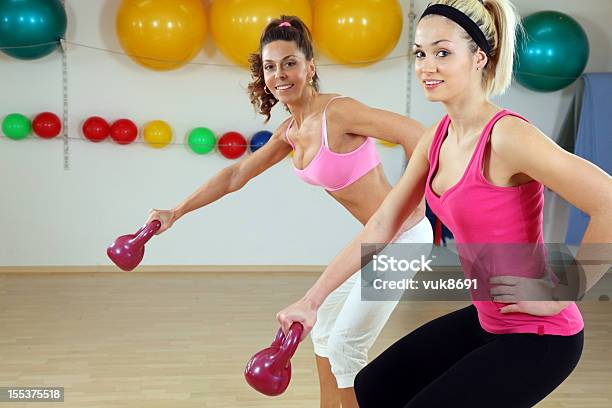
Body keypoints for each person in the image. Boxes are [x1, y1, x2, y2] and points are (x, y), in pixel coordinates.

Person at [276, 1, 612, 407]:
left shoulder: (507, 137)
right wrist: (310, 302)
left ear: (479, 58)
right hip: (490, 320)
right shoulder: (437, 138)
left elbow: (607, 200)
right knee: (370, 391)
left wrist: (564, 290)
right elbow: (383, 224)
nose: (426, 66)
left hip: (541, 337)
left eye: (442, 52)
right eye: (420, 53)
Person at [147, 16, 432, 408]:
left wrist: (413, 194)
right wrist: (175, 212)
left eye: (289, 62)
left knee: (347, 345)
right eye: (270, 66)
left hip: (405, 240)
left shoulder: (339, 112)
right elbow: (234, 175)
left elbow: (417, 134)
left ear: (310, 66)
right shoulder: (290, 132)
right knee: (326, 329)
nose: (279, 74)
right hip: (374, 241)